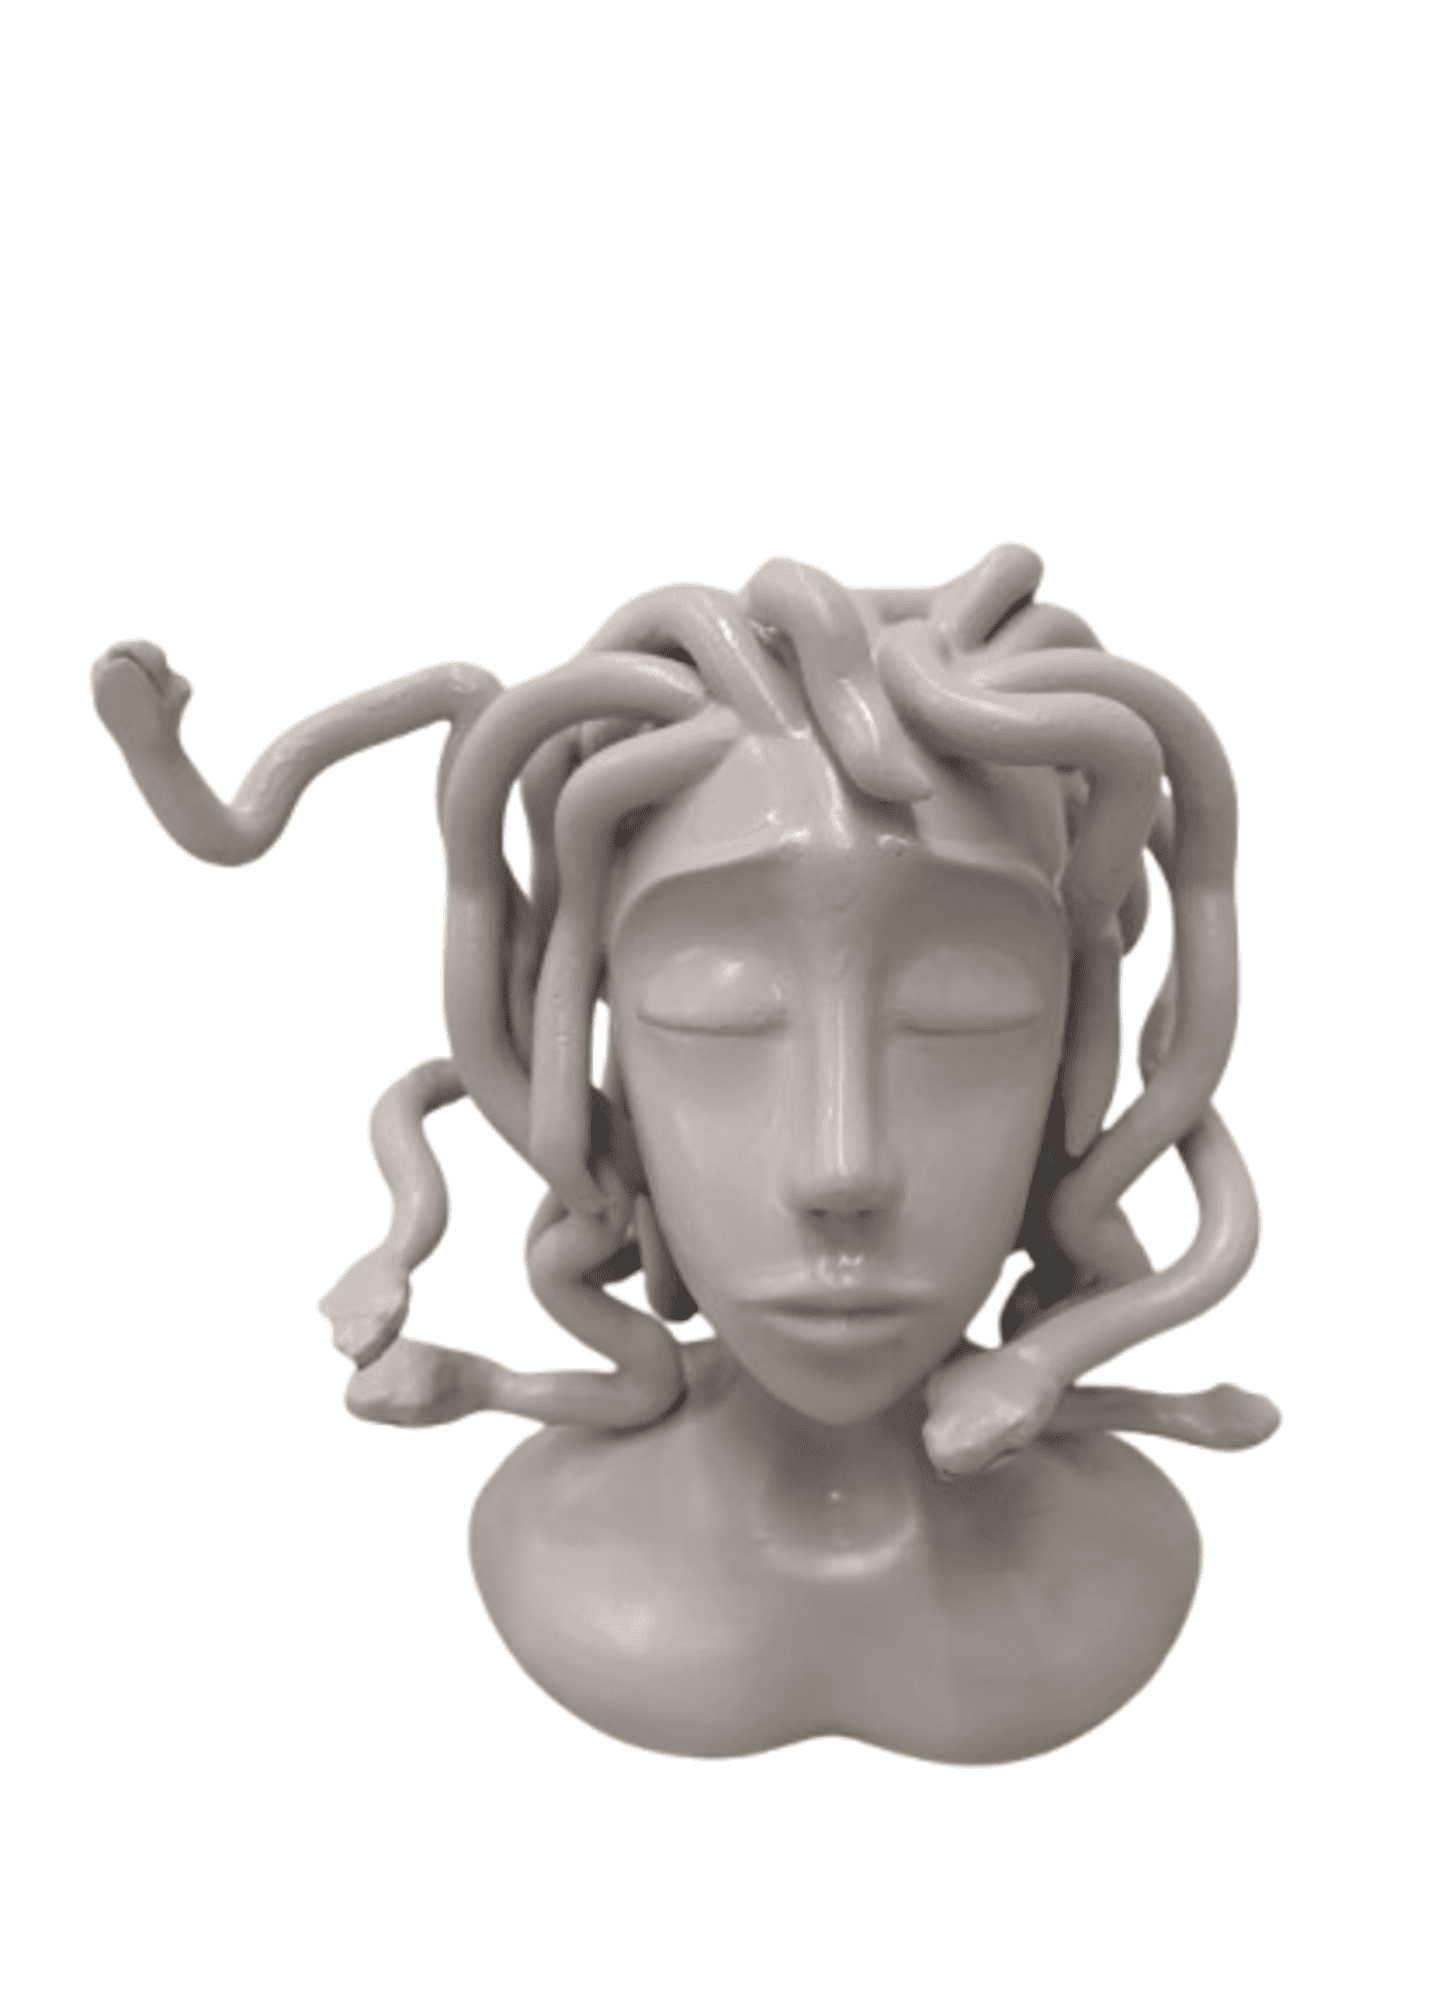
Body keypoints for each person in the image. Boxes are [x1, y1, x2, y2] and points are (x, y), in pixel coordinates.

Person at [94, 544, 1276, 1760]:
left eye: (961, 1006)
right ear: (582, 1020)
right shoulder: (574, 1516)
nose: (841, 1166)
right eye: (717, 1004)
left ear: (1076, 1036)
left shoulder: (1108, 1539)